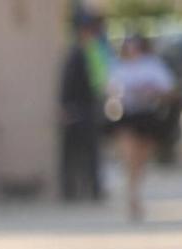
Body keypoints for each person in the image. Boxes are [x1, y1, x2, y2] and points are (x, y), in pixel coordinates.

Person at [107, 34, 178, 221]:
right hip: (128, 115)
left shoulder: (152, 66)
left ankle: (135, 191)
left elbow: (168, 90)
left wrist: (152, 92)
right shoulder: (119, 67)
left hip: (147, 116)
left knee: (141, 160)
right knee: (129, 156)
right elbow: (111, 91)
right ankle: (132, 196)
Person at [59, 14, 108, 202]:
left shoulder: (92, 51)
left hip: (89, 107)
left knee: (91, 151)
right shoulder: (75, 53)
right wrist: (65, 107)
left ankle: (93, 190)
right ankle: (72, 191)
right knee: (74, 152)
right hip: (77, 108)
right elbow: (67, 84)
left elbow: (99, 80)